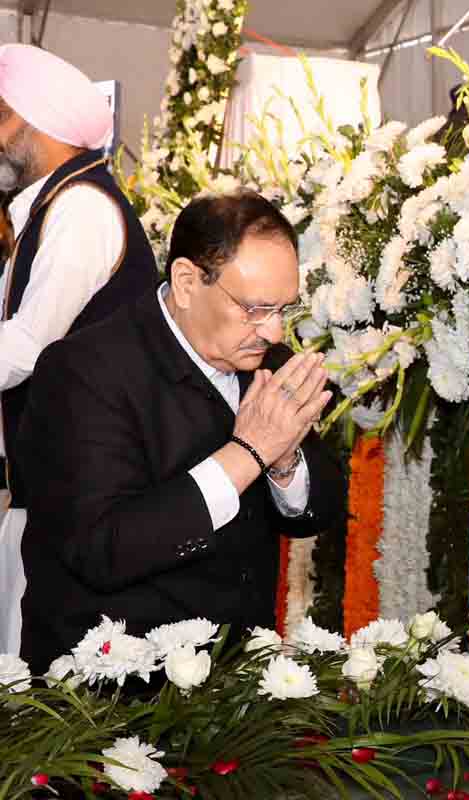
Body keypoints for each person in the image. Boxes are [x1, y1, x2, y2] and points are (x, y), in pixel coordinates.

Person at [17, 190, 346, 674]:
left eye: (284, 310)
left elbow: (317, 510)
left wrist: (284, 462)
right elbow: (102, 549)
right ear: (188, 282)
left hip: (237, 682)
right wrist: (247, 453)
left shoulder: (262, 361)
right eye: (256, 309)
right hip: (111, 692)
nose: (275, 333)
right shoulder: (84, 371)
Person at [0, 44, 158, 654]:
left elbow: (26, 349)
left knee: (39, 673)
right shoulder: (51, 207)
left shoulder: (82, 209)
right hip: (44, 488)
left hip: (83, 492)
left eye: (2, 117)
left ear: (36, 122)